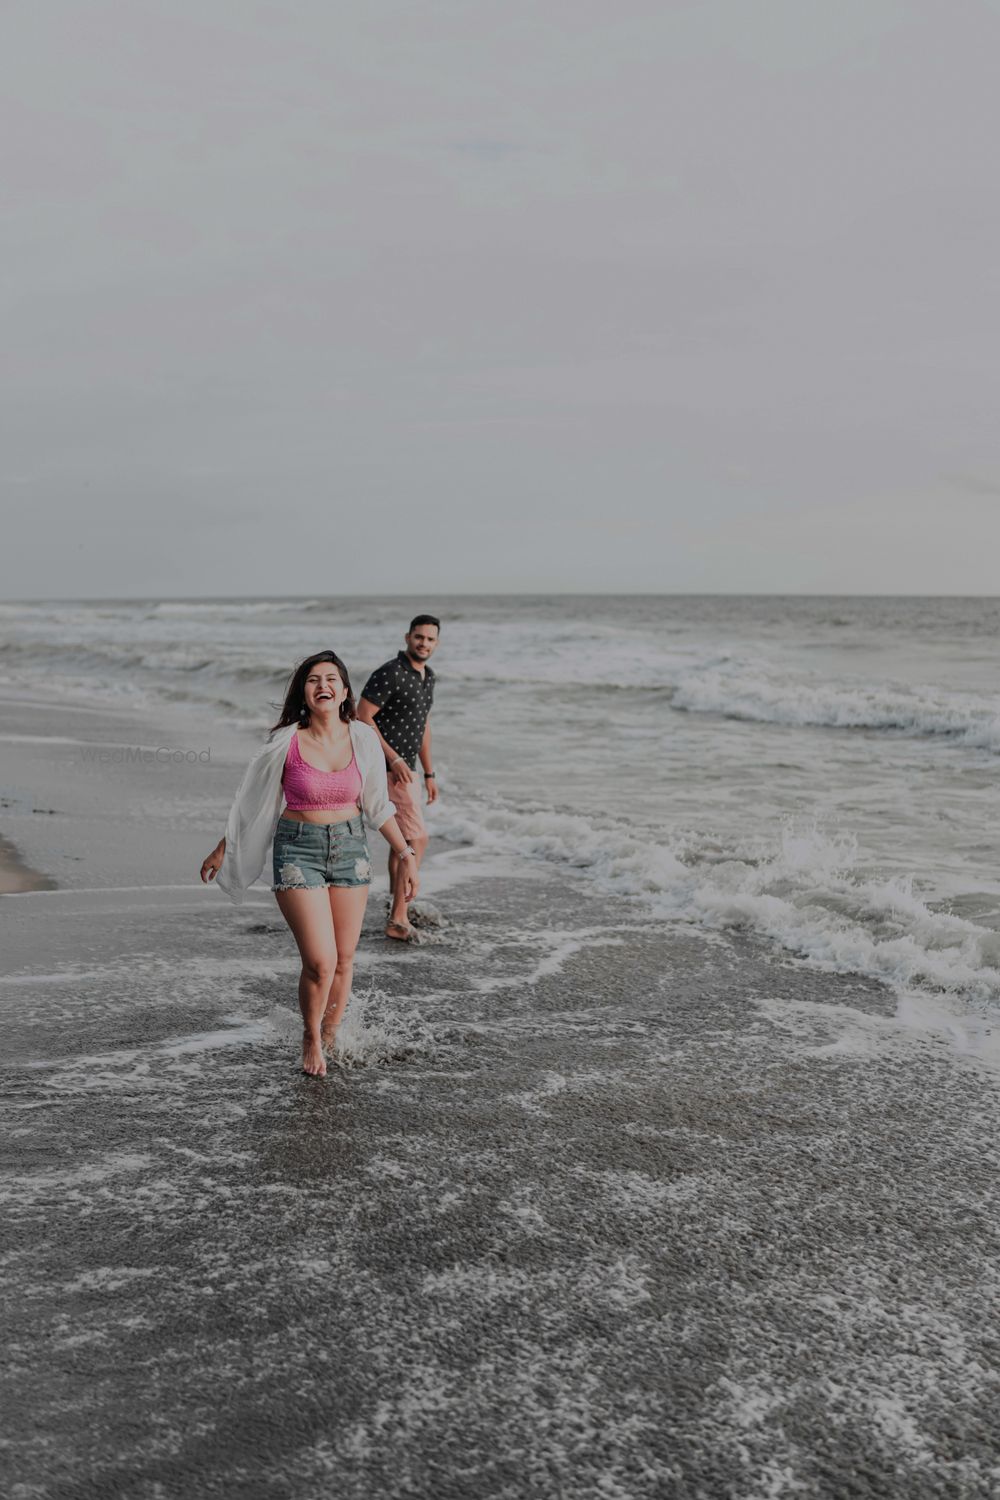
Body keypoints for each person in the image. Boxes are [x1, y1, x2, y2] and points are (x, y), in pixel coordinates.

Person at [199, 651, 419, 1079]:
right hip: (298, 851)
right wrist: (224, 847)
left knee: (345, 958)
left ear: (344, 690)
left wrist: (407, 855)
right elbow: (254, 803)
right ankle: (311, 1037)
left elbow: (377, 805)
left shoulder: (363, 738)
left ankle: (333, 1034)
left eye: (332, 678)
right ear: (304, 691)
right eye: (314, 679)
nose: (324, 685)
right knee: (320, 961)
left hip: (352, 848)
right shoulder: (285, 741)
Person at [357, 615, 440, 942]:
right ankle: (398, 918)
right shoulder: (390, 673)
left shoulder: (427, 677)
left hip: (409, 770)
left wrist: (429, 772)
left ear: (437, 643)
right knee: (417, 841)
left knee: (402, 842)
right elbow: (362, 716)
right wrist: (392, 757)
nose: (424, 644)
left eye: (430, 639)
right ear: (408, 637)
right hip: (388, 768)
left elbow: (423, 726)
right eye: (419, 637)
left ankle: (396, 905)